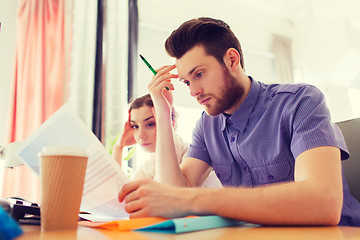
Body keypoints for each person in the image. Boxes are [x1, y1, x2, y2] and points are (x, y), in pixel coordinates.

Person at [118, 17, 360, 226]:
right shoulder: (207, 125)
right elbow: (176, 191)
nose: (193, 92)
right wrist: (162, 109)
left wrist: (190, 201)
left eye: (199, 74)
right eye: (187, 82)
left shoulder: (300, 102)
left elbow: (322, 202)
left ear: (232, 60)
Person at [112, 92, 222, 187]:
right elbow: (120, 197)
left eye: (150, 124)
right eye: (135, 126)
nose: (140, 135)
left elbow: (168, 194)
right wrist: (118, 147)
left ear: (171, 122)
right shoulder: (149, 166)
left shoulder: (196, 158)